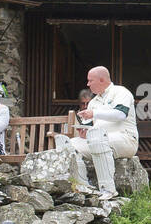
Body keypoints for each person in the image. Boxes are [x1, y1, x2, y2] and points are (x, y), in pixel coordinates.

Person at [54, 66, 138, 195]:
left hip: (126, 139)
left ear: (102, 80)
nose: (88, 84)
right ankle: (83, 187)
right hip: (100, 140)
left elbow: (121, 114)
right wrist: (85, 133)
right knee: (67, 145)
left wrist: (94, 113)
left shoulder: (120, 92)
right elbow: (95, 126)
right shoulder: (93, 102)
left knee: (98, 140)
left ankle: (108, 189)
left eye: (90, 81)